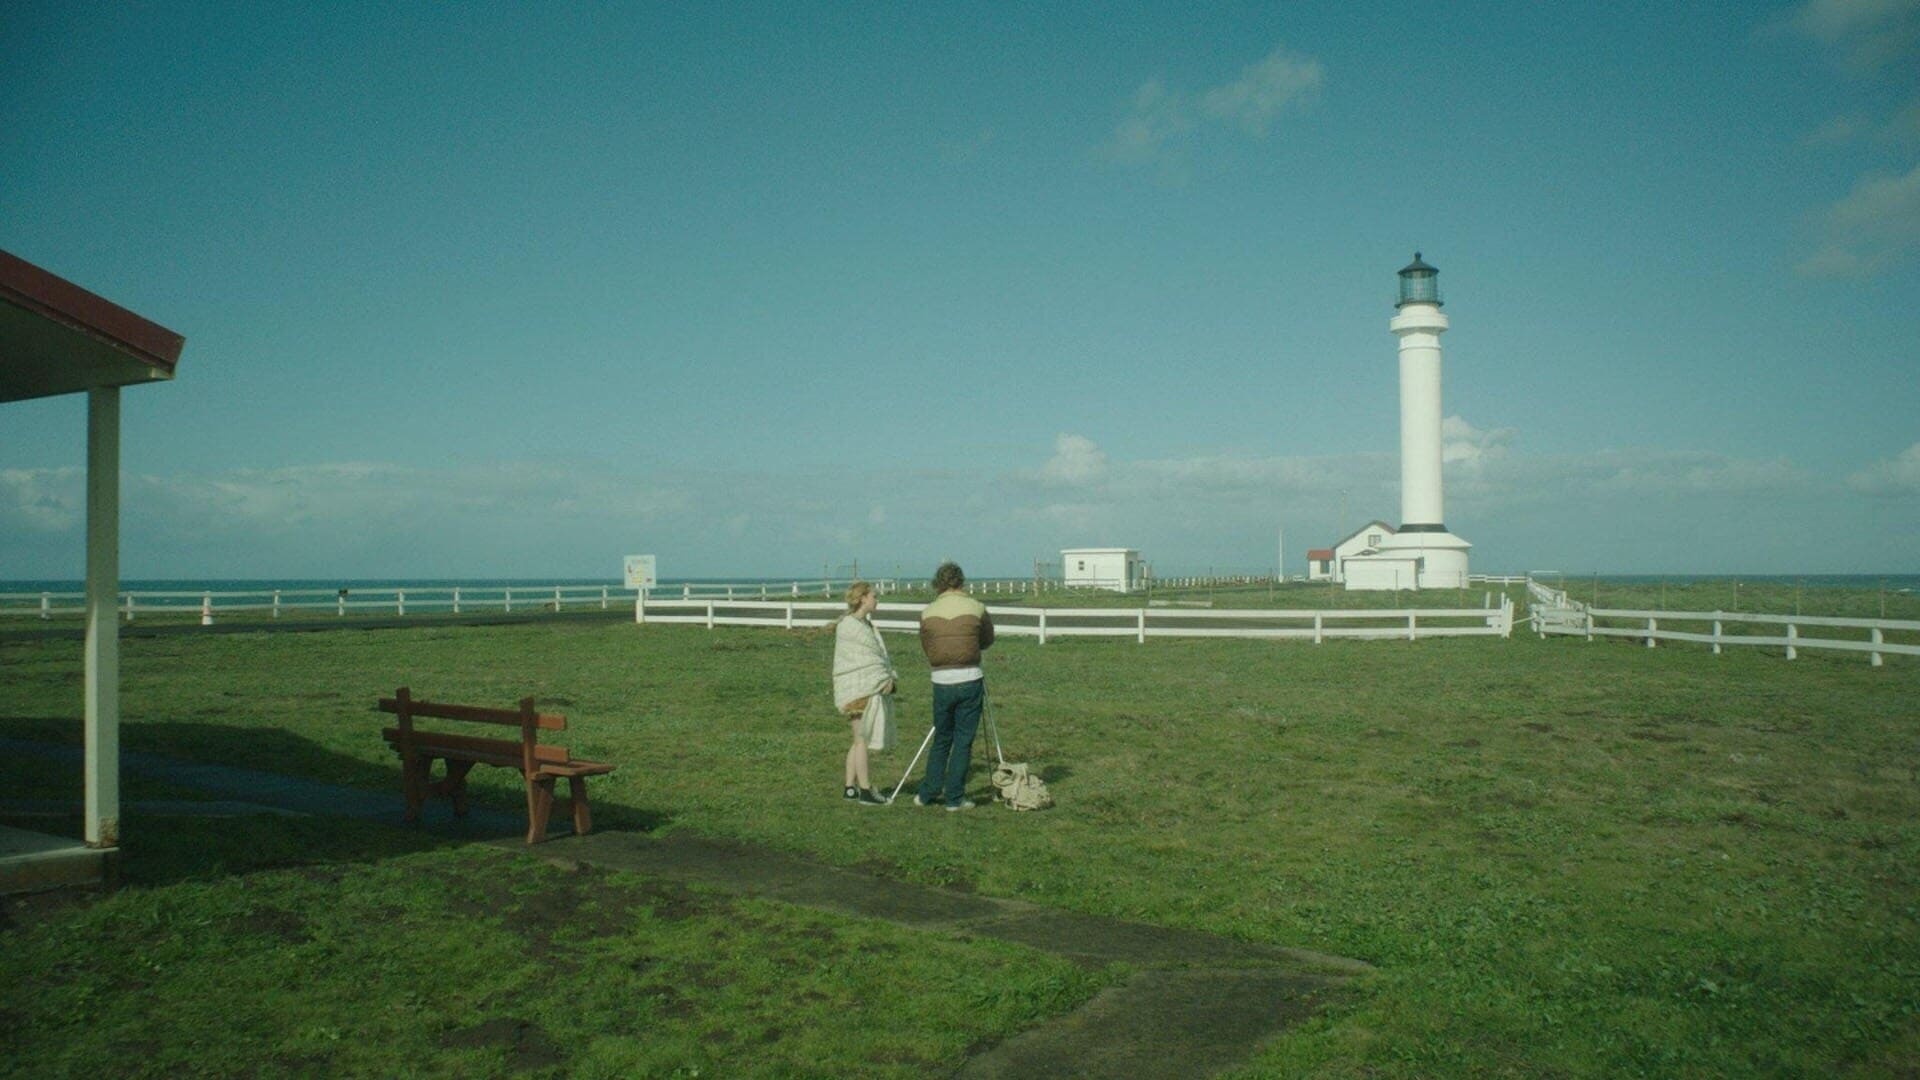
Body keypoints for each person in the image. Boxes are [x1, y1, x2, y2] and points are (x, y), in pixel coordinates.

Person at [914, 561, 994, 810]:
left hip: (941, 681)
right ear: (961, 581)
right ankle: (955, 797)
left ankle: (927, 792)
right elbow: (987, 639)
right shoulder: (977, 607)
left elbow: (927, 645)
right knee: (963, 740)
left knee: (942, 738)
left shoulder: (927, 612)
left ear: (938, 583)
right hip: (969, 678)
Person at [832, 580, 895, 805]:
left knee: (858, 739)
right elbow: (861, 662)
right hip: (856, 690)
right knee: (862, 741)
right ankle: (866, 790)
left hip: (864, 688)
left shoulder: (867, 626)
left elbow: (877, 659)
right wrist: (882, 680)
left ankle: (850, 788)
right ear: (862, 599)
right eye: (874, 596)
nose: (877, 600)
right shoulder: (849, 627)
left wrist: (887, 677)